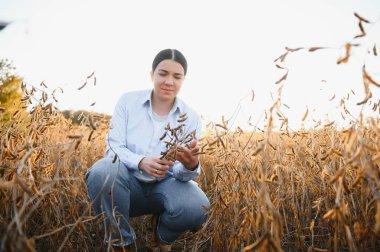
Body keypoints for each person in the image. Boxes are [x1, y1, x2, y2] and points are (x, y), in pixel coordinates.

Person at [85, 49, 210, 251]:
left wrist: (190, 165)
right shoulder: (127, 102)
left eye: (177, 76)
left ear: (183, 80)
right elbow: (113, 147)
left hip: (165, 186)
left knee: (196, 207)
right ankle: (122, 243)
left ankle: (161, 236)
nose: (169, 81)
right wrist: (141, 161)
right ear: (152, 74)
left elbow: (181, 174)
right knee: (102, 171)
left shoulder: (191, 117)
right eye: (163, 73)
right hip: (126, 185)